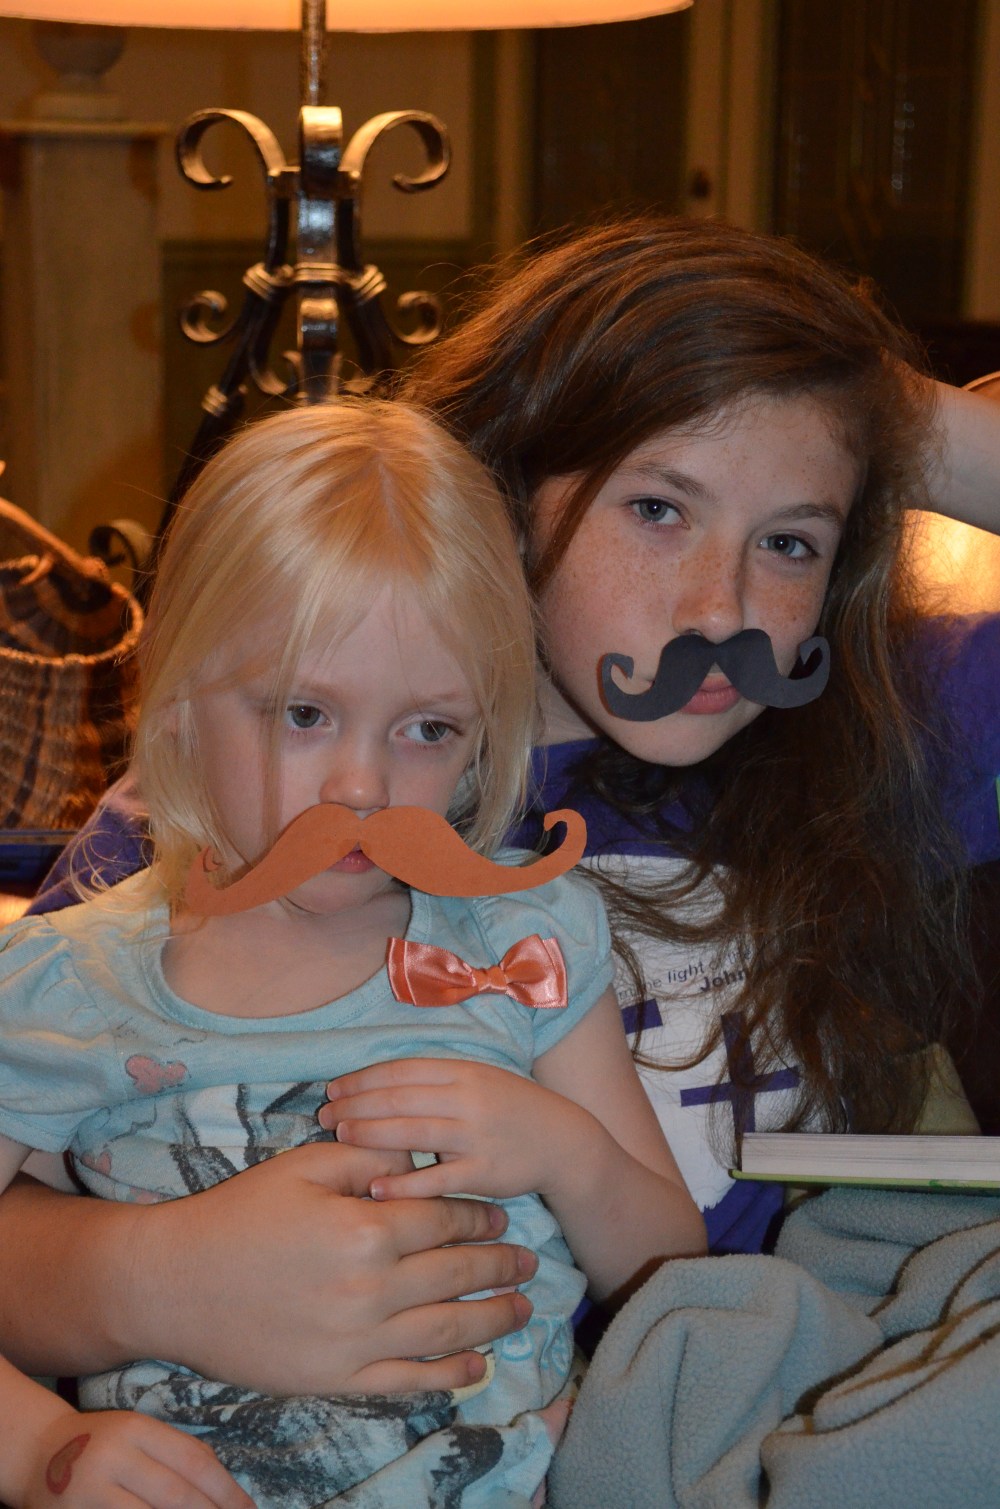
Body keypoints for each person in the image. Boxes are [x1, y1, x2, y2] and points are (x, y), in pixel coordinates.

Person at [6, 215, 1000, 1390]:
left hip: (767, 1396)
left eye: (789, 541)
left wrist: (874, 411)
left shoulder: (883, 730)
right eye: (657, 509)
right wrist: (150, 1279)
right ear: (509, 488)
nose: (719, 609)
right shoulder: (259, 796)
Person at [0, 399, 703, 1508]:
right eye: (303, 713)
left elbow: (673, 1270)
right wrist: (37, 1446)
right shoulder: (70, 985)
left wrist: (569, 1152)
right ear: (177, 700)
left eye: (429, 729)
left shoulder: (523, 942)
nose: (363, 785)